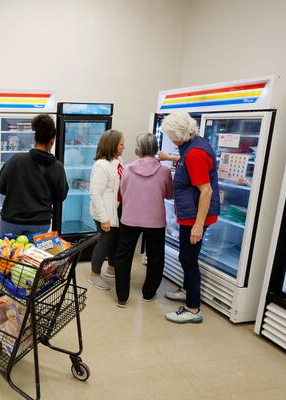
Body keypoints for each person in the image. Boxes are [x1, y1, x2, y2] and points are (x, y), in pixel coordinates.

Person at [159, 111, 220, 324]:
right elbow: (189, 162)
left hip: (195, 217)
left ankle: (193, 309)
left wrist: (198, 226)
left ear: (178, 133)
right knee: (185, 257)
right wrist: (170, 158)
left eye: (170, 134)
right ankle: (187, 291)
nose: (170, 138)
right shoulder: (195, 145)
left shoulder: (195, 153)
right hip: (190, 214)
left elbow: (206, 191)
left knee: (189, 260)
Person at [113, 133, 173, 307]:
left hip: (130, 218)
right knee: (155, 256)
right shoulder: (164, 171)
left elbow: (123, 192)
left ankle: (122, 297)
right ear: (155, 149)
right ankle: (149, 293)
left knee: (123, 256)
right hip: (155, 220)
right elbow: (169, 194)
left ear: (138, 149)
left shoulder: (128, 169)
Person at [0, 114, 68, 236]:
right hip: (39, 222)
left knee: (8, 254)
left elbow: (1, 188)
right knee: (34, 255)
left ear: (34, 137)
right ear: (52, 141)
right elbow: (60, 196)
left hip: (12, 220)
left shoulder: (15, 160)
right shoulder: (57, 167)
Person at [88, 129, 124, 290]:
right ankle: (94, 275)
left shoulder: (117, 161)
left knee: (114, 240)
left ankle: (111, 268)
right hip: (104, 212)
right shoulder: (101, 166)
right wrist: (103, 218)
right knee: (104, 242)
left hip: (115, 209)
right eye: (121, 144)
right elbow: (95, 193)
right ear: (112, 146)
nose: (124, 147)